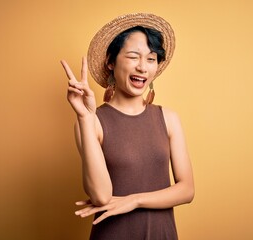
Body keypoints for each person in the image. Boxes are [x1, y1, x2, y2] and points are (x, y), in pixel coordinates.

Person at [61, 13, 194, 240]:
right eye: (133, 57)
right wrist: (85, 117)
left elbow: (187, 190)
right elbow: (101, 196)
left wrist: (134, 200)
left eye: (151, 59)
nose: (143, 67)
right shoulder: (92, 121)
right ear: (111, 62)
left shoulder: (168, 118)